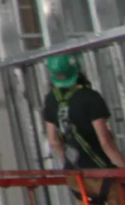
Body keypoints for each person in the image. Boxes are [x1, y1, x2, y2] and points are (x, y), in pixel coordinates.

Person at [43, 53, 125, 203]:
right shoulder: (91, 98)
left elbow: (54, 141)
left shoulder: (50, 99)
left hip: (76, 176)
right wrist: (122, 166)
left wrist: (68, 163)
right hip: (102, 172)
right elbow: (105, 142)